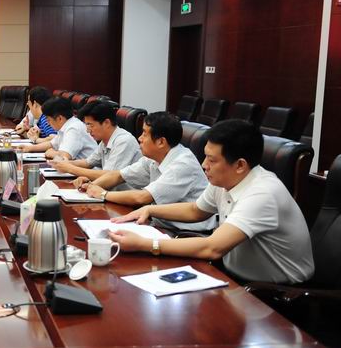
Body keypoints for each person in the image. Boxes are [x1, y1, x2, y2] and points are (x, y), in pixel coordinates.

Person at [109, 120, 314, 284]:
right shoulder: (226, 178)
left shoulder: (263, 193)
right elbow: (195, 210)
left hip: (276, 294)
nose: (204, 165)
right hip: (231, 275)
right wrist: (150, 210)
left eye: (212, 160)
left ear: (240, 165)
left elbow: (212, 248)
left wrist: (144, 244)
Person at [83, 111, 213, 232]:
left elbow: (142, 197)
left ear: (161, 142)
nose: (140, 138)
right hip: (160, 224)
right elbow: (118, 175)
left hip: (187, 233)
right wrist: (91, 186)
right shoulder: (153, 158)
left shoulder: (182, 164)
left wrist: (103, 194)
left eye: (144, 134)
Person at [51, 100, 141, 186]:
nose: (88, 130)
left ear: (106, 123)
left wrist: (70, 168)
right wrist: (63, 164)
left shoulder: (124, 141)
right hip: (108, 191)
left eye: (90, 125)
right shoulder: (105, 141)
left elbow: (108, 176)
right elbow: (88, 163)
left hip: (125, 194)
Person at [20, 96, 97, 160]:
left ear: (59, 118)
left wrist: (52, 153)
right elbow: (51, 144)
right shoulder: (66, 126)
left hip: (89, 171)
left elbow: (64, 157)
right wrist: (29, 148)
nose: (47, 123)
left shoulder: (74, 128)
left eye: (48, 120)